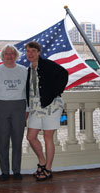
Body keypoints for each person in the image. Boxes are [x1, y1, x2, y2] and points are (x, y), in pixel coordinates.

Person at [25, 41, 68, 181]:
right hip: (35, 107)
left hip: (51, 105)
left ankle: (48, 169)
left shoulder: (48, 65)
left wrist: (55, 92)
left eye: (33, 51)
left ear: (38, 52)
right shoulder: (28, 70)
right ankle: (42, 162)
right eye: (28, 51)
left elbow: (64, 74)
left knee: (47, 137)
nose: (30, 54)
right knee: (31, 136)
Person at [0, 44, 28, 181]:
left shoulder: (23, 70)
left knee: (17, 140)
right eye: (7, 54)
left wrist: (27, 109)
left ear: (16, 56)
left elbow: (27, 92)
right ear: (3, 56)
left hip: (19, 107)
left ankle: (16, 170)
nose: (10, 56)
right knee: (2, 141)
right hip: (1, 107)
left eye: (12, 54)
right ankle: (4, 171)